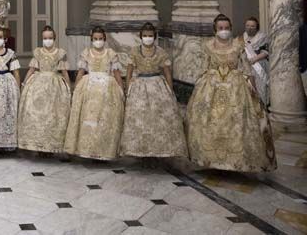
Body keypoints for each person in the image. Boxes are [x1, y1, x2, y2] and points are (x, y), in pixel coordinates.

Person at [186, 14, 277, 172]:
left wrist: (254, 89)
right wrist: (198, 87)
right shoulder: (207, 45)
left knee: (237, 124)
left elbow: (247, 68)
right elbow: (203, 67)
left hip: (236, 87)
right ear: (215, 29)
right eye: (221, 28)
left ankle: (236, 160)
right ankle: (211, 159)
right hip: (211, 87)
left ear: (231, 28)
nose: (224, 31)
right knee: (209, 122)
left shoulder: (238, 45)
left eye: (227, 28)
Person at [119, 23, 187, 159]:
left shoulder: (161, 52)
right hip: (139, 86)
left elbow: (167, 72)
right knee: (139, 118)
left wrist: (169, 89)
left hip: (158, 86)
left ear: (154, 37)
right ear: (140, 37)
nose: (147, 38)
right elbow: (129, 71)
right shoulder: (134, 51)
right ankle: (140, 150)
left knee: (160, 119)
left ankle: (159, 150)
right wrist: (128, 88)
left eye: (150, 36)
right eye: (145, 35)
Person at [64, 26, 125, 161]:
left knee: (104, 120)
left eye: (101, 39)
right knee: (89, 119)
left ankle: (103, 151)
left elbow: (117, 74)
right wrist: (76, 90)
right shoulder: (86, 53)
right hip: (89, 89)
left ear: (105, 39)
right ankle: (88, 150)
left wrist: (121, 91)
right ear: (91, 39)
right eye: (95, 39)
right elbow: (80, 72)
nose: (98, 41)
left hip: (107, 90)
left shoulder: (111, 54)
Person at [17, 26, 70, 154]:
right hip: (37, 84)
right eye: (45, 38)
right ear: (42, 39)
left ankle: (51, 145)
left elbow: (64, 71)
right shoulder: (38, 52)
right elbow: (32, 69)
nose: (48, 40)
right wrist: (24, 84)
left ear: (54, 38)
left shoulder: (60, 53)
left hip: (54, 85)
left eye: (50, 38)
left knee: (53, 115)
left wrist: (68, 87)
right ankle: (38, 145)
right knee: (37, 114)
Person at [242, 17, 270, 106]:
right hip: (246, 66)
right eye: (248, 25)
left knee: (260, 87)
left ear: (257, 27)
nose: (249, 28)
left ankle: (262, 108)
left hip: (259, 65)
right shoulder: (244, 36)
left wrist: (255, 59)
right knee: (248, 88)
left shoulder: (262, 36)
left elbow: (266, 52)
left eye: (252, 26)